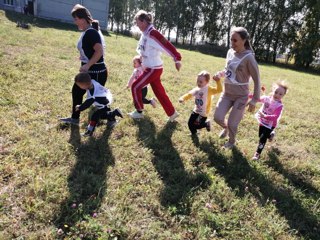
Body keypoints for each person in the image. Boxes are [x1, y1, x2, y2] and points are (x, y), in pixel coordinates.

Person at [128, 10, 182, 121]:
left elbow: (166, 45)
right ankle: (172, 113)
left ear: (143, 22)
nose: (137, 25)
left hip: (153, 69)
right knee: (159, 92)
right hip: (150, 67)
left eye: (137, 22)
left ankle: (139, 112)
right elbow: (144, 49)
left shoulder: (153, 33)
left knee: (135, 86)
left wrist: (177, 58)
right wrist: (140, 58)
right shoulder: (145, 34)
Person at [213, 27, 261, 149]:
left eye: (235, 40)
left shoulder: (249, 58)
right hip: (227, 94)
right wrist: (220, 74)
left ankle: (231, 141)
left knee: (233, 124)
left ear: (244, 40)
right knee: (217, 117)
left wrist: (255, 99)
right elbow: (227, 69)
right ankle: (226, 129)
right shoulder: (230, 52)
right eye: (231, 40)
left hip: (241, 96)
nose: (232, 43)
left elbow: (257, 79)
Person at [60, 4, 107, 125]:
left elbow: (99, 51)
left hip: (96, 72)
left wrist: (87, 65)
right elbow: (91, 50)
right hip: (91, 70)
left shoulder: (91, 32)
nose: (75, 22)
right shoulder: (87, 32)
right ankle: (75, 119)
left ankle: (111, 117)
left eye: (76, 19)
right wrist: (84, 57)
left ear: (82, 18)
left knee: (98, 98)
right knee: (77, 91)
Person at [251, 81, 288, 160]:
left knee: (262, 138)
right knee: (260, 135)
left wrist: (265, 116)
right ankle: (271, 135)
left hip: (271, 124)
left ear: (284, 95)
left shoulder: (279, 105)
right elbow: (257, 99)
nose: (277, 95)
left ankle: (257, 153)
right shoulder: (266, 98)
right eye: (276, 92)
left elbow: (275, 117)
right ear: (273, 90)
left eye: (280, 94)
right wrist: (248, 95)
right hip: (262, 121)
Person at [179, 71, 222, 135]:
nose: (198, 83)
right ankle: (194, 133)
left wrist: (218, 81)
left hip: (203, 112)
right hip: (196, 110)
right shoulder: (197, 89)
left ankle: (206, 124)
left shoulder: (209, 89)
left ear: (207, 82)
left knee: (197, 125)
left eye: (201, 82)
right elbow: (189, 94)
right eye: (197, 81)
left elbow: (219, 90)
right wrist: (183, 98)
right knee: (190, 123)